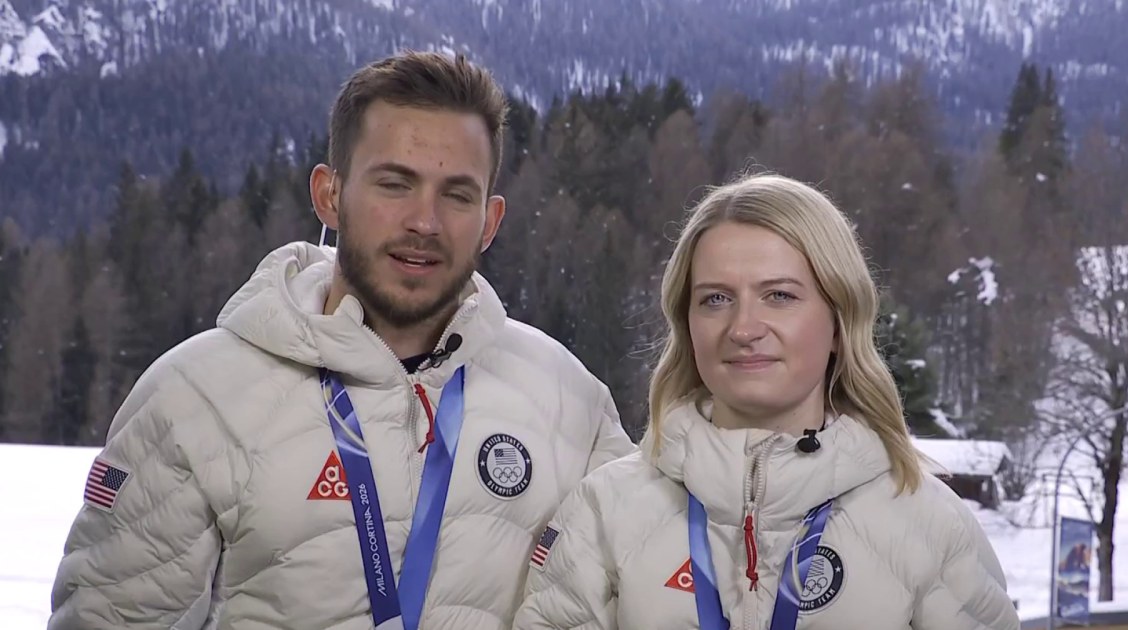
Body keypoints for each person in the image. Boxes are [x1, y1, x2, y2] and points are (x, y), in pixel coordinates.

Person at [48, 50, 634, 630]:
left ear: (490, 220)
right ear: (329, 195)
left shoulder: (569, 401)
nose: (425, 221)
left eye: (457, 194)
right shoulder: (195, 397)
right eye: (395, 184)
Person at [514, 173, 1020, 630]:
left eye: (779, 296)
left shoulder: (929, 523)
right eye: (716, 299)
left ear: (839, 322)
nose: (743, 328)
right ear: (687, 325)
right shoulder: (605, 510)